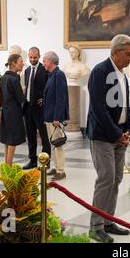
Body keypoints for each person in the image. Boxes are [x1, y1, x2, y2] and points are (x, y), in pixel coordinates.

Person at [86, 34, 130, 243]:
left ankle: (107, 221)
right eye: (128, 54)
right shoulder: (100, 71)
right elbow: (99, 108)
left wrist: (128, 130)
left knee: (116, 179)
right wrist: (116, 133)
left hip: (119, 135)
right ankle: (95, 226)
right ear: (115, 52)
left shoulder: (122, 75)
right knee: (106, 178)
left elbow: (126, 105)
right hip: (102, 136)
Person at [22, 47, 51, 170]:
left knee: (44, 136)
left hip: (40, 108)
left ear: (39, 56)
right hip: (28, 107)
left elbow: (49, 87)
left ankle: (46, 161)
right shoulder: (27, 70)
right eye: (30, 57)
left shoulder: (44, 70)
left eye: (35, 57)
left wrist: (45, 98)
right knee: (30, 135)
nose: (32, 59)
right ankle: (32, 160)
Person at [43, 51, 69, 181]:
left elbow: (61, 97)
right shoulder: (51, 75)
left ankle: (61, 170)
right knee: (53, 142)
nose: (43, 63)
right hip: (49, 116)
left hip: (55, 117)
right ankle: (56, 166)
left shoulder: (59, 75)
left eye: (45, 61)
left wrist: (57, 118)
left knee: (57, 144)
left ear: (51, 61)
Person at [0, 54, 26, 166]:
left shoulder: (4, 77)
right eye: (21, 61)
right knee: (12, 140)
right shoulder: (14, 79)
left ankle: (6, 164)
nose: (23, 63)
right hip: (14, 113)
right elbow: (20, 99)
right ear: (13, 63)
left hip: (5, 111)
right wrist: (24, 91)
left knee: (6, 140)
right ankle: (9, 167)